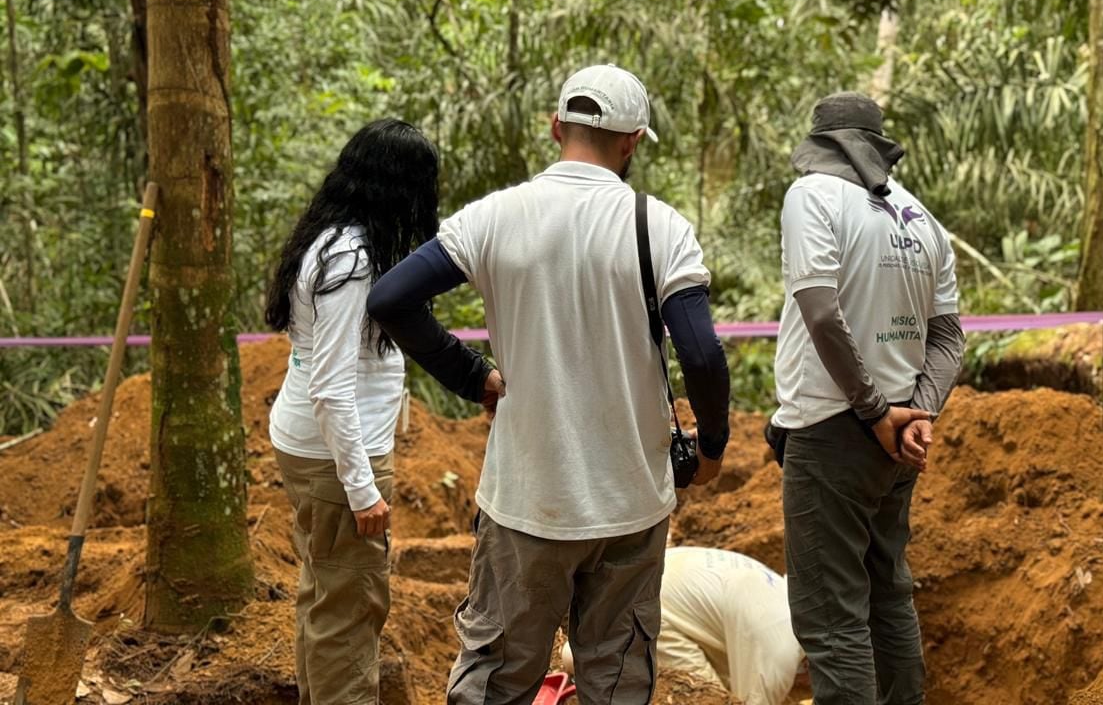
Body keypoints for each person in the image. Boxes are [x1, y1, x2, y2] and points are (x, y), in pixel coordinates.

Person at [368, 63, 732, 705]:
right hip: (631, 506)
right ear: (632, 142)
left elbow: (393, 298)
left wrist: (472, 376)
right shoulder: (661, 227)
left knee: (497, 681)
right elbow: (701, 355)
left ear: (555, 127)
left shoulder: (494, 219)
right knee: (617, 683)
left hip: (526, 503)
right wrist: (712, 446)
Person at [265, 119, 501, 705]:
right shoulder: (351, 261)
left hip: (307, 445)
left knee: (326, 596)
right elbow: (331, 385)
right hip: (336, 457)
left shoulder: (327, 240)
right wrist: (361, 487)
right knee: (351, 610)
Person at [770, 93, 966, 705]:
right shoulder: (921, 220)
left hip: (833, 429)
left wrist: (875, 411)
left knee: (831, 618)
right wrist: (918, 412)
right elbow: (948, 334)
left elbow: (822, 313)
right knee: (887, 593)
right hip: (898, 437)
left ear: (821, 145)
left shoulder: (812, 198)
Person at [563, 547, 806, 705]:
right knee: (711, 698)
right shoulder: (780, 652)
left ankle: (591, 657)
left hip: (646, 580)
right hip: (655, 606)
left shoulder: (788, 600)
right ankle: (598, 664)